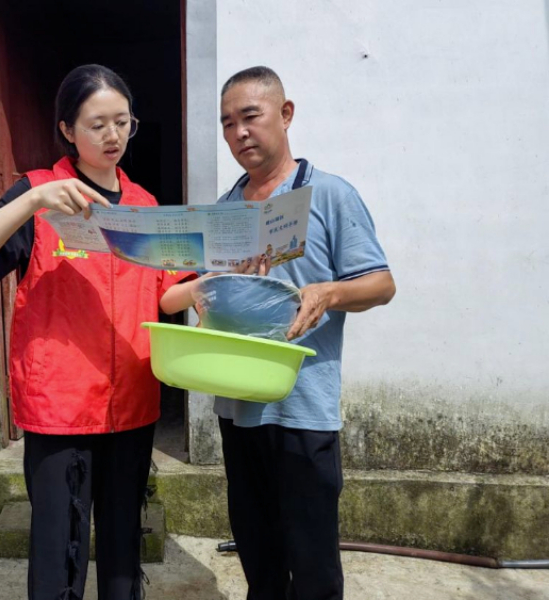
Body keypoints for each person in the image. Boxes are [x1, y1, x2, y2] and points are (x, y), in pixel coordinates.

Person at [0, 64, 194, 600]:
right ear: (67, 129)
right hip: (59, 406)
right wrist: (32, 201)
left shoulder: (145, 205)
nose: (113, 136)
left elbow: (167, 294)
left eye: (123, 123)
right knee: (58, 549)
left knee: (123, 542)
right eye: (97, 125)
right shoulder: (38, 194)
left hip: (131, 401)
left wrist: (210, 284)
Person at [163, 66, 396, 600]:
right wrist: (211, 295)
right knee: (259, 556)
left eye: (250, 116)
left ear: (285, 114)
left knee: (312, 564)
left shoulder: (329, 195)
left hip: (303, 408)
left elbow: (382, 284)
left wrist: (328, 293)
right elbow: (186, 294)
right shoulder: (224, 211)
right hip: (238, 406)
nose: (239, 132)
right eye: (227, 123)